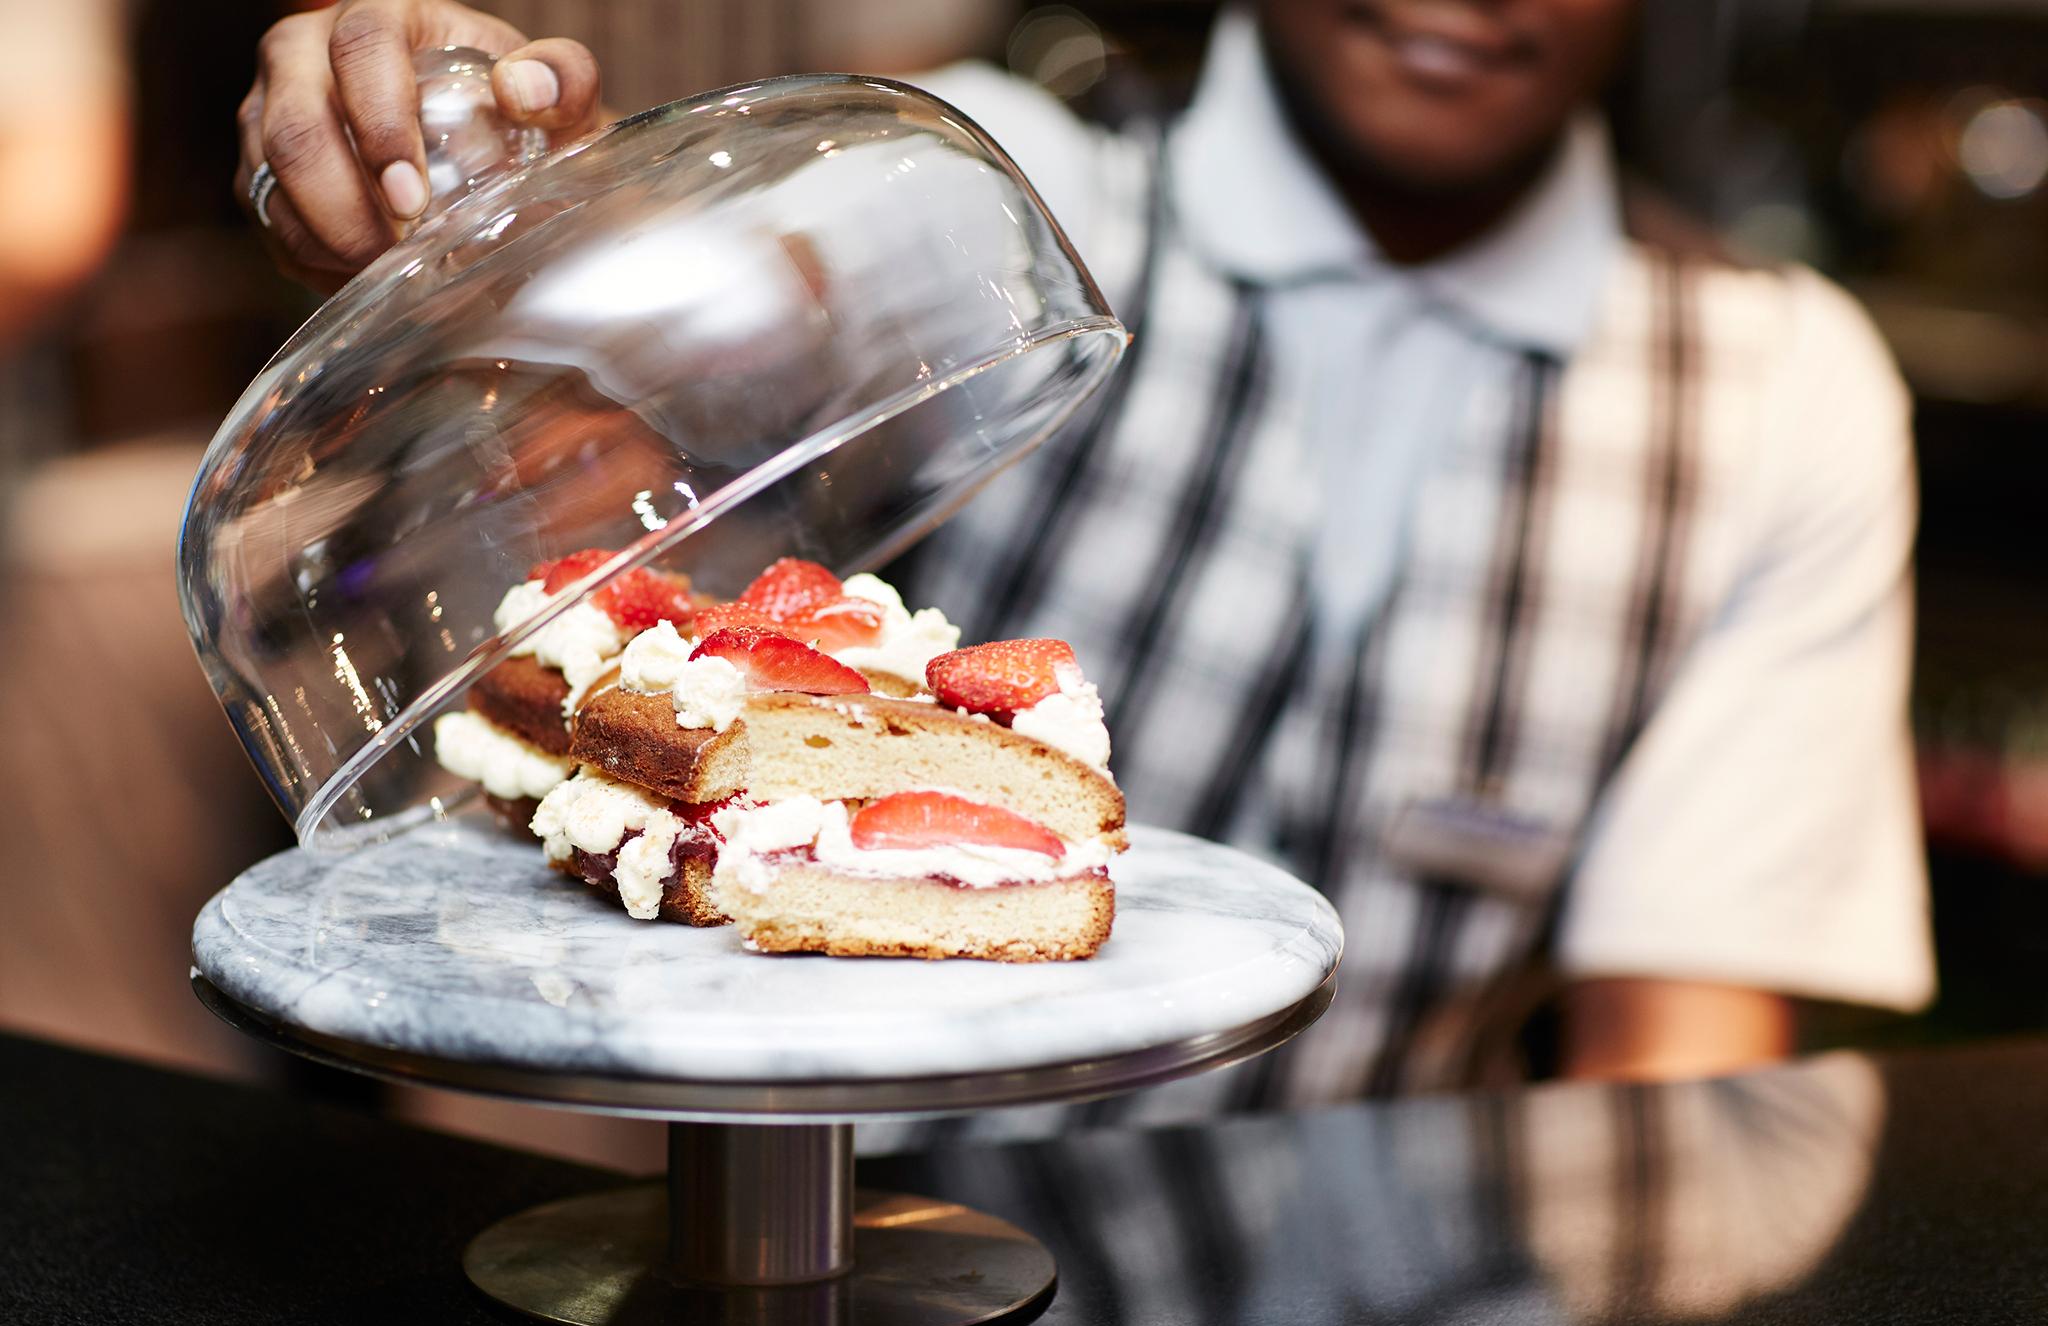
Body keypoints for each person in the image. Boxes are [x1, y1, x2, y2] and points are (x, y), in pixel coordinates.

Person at [233, 0, 1933, 1117]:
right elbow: (721, 292)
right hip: (848, 1254)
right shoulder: (1015, 190)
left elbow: (1680, 1076)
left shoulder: (1778, 391)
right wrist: (511, 198)